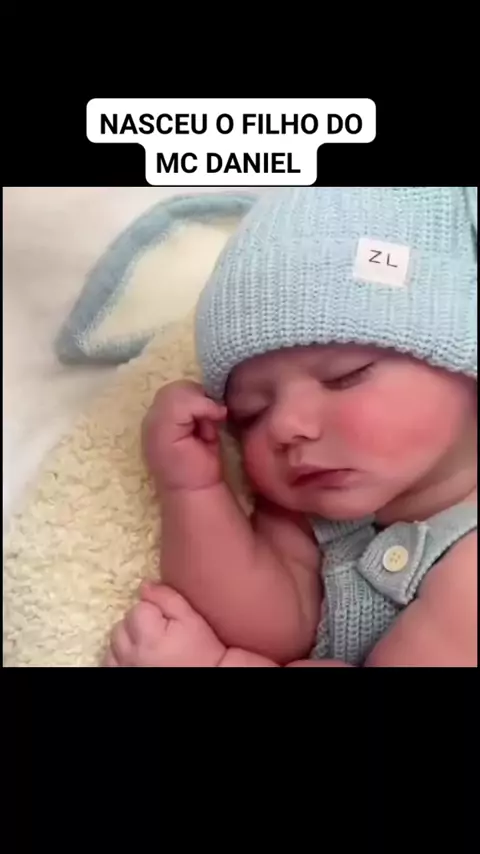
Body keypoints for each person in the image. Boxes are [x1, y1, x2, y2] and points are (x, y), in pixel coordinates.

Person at [104, 187, 477, 667]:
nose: (284, 426)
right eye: (252, 412)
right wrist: (192, 489)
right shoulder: (319, 509)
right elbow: (266, 628)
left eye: (343, 376)